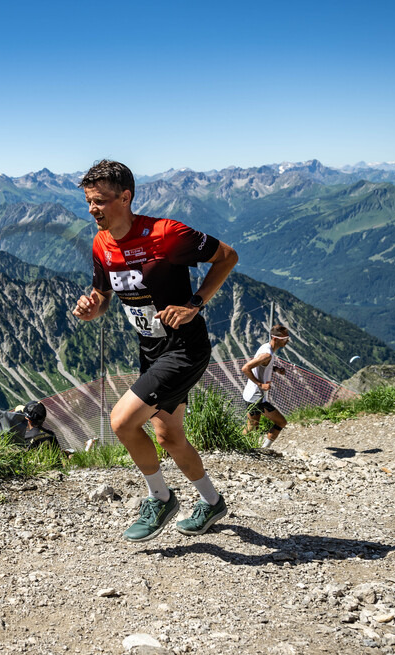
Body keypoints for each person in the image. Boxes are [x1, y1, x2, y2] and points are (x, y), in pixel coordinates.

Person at [72, 159, 239, 542]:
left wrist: (195, 302)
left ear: (125, 197)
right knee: (168, 435)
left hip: (184, 348)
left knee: (122, 421)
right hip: (150, 348)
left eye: (99, 201)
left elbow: (227, 256)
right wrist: (91, 308)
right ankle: (212, 502)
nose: (92, 210)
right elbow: (103, 296)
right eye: (88, 202)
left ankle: (160, 498)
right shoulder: (101, 243)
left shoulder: (167, 234)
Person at [241, 325, 291, 448]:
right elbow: (245, 368)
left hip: (255, 396)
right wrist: (260, 384)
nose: (287, 341)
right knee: (281, 422)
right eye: (285, 338)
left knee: (253, 426)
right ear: (275, 339)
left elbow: (263, 365)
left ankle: (242, 448)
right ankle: (263, 449)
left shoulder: (266, 348)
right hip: (255, 396)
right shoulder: (267, 354)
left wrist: (276, 369)